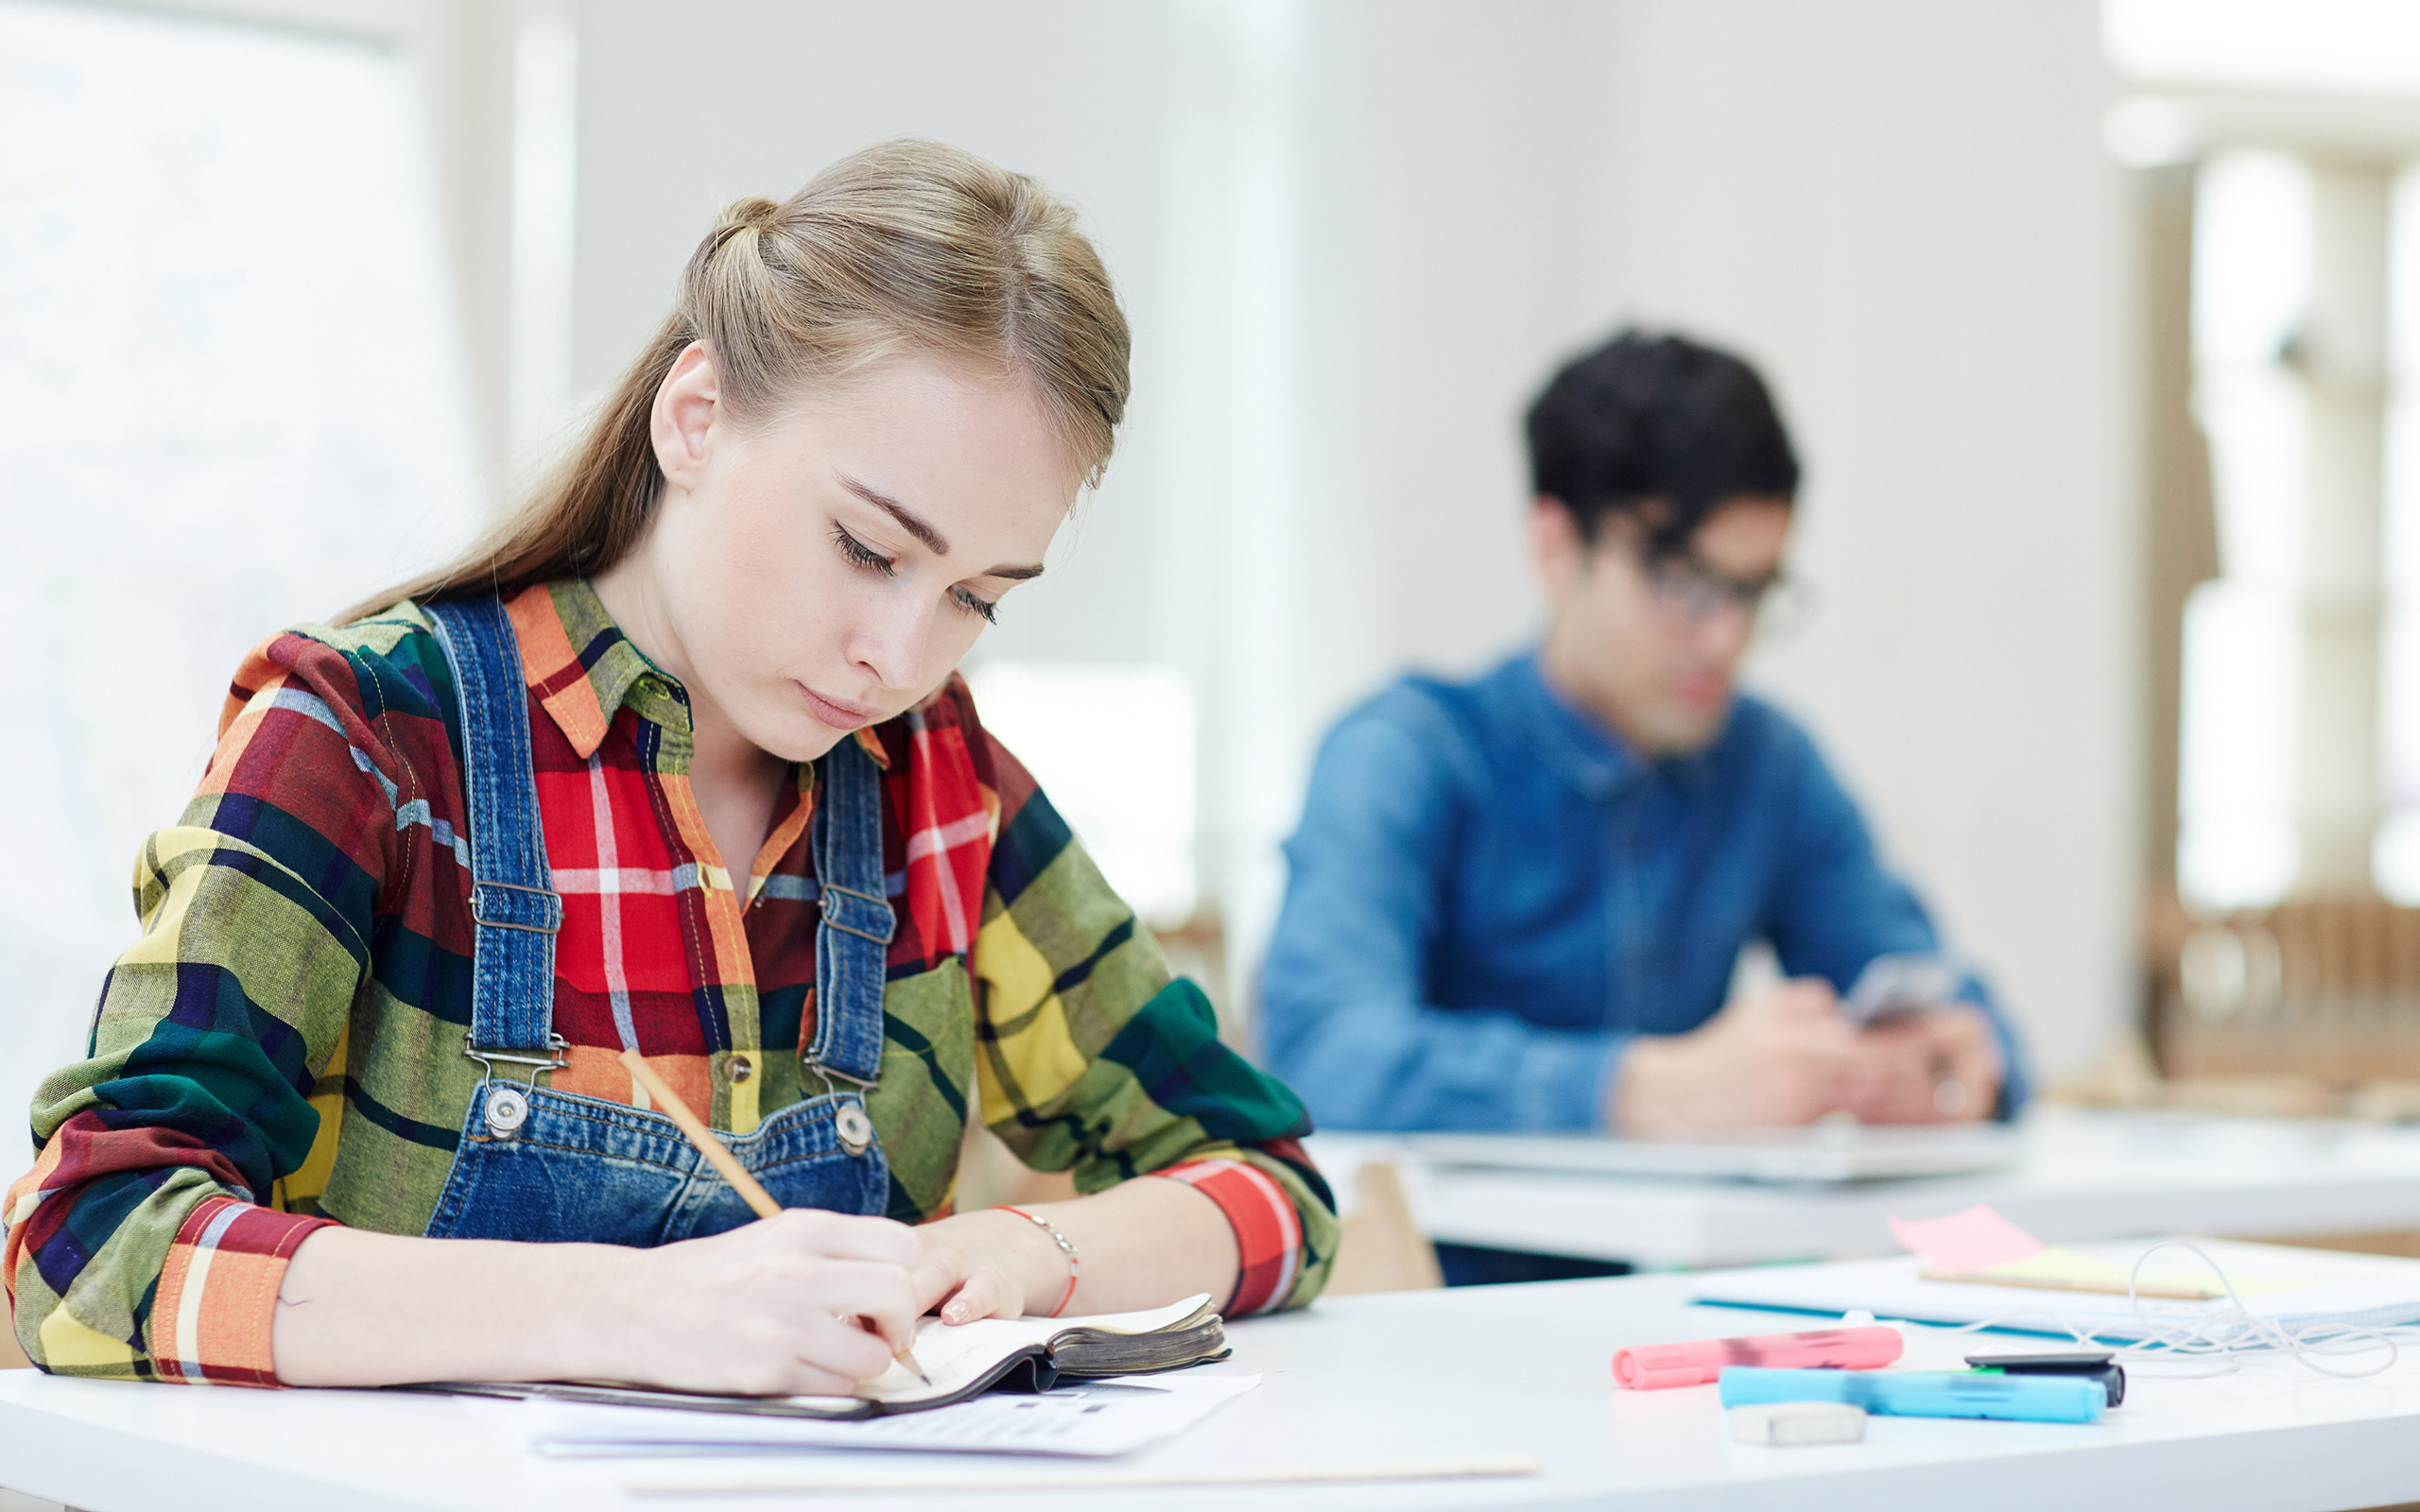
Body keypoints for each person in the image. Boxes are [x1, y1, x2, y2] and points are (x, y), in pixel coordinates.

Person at [5, 141, 1332, 1391]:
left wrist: (1012, 1256)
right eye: (869, 550)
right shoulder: (366, 732)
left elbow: (1271, 1187)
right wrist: (645, 1314)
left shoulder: (941, 783)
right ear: (696, 417)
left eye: (976, 595)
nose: (897, 653)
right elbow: (85, 1245)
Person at [1259, 330, 2024, 1285]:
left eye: (1753, 590)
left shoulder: (1768, 765)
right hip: (1423, 1322)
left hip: (1683, 1320)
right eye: (1682, 582)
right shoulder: (1405, 753)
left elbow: (1945, 1001)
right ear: (1555, 545)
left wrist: (1955, 1068)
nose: (1726, 636)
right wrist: (1650, 1089)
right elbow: (1319, 1056)